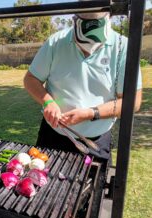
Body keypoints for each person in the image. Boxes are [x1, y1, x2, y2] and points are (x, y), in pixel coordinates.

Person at [24, 9, 142, 162]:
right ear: (75, 21)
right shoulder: (56, 42)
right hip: (53, 135)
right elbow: (31, 79)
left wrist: (90, 113)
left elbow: (133, 102)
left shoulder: (123, 47)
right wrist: (48, 101)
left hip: (97, 139)